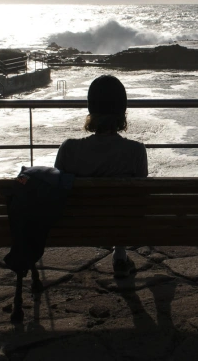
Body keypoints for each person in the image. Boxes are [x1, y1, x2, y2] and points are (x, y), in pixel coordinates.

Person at [54, 75, 147, 278]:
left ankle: (119, 253)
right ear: (122, 110)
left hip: (76, 226)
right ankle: (120, 252)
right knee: (123, 208)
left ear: (90, 108)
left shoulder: (69, 149)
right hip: (124, 224)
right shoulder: (136, 151)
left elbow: (58, 192)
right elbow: (140, 199)